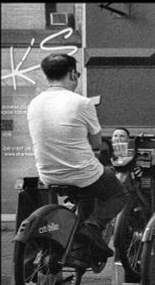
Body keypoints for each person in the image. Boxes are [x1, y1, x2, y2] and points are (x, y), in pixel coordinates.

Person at [26, 53, 127, 269]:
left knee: (86, 195)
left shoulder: (34, 103)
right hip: (82, 173)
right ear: (72, 73)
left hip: (48, 174)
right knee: (118, 194)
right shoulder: (81, 102)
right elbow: (97, 143)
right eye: (77, 74)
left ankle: (81, 249)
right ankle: (92, 226)